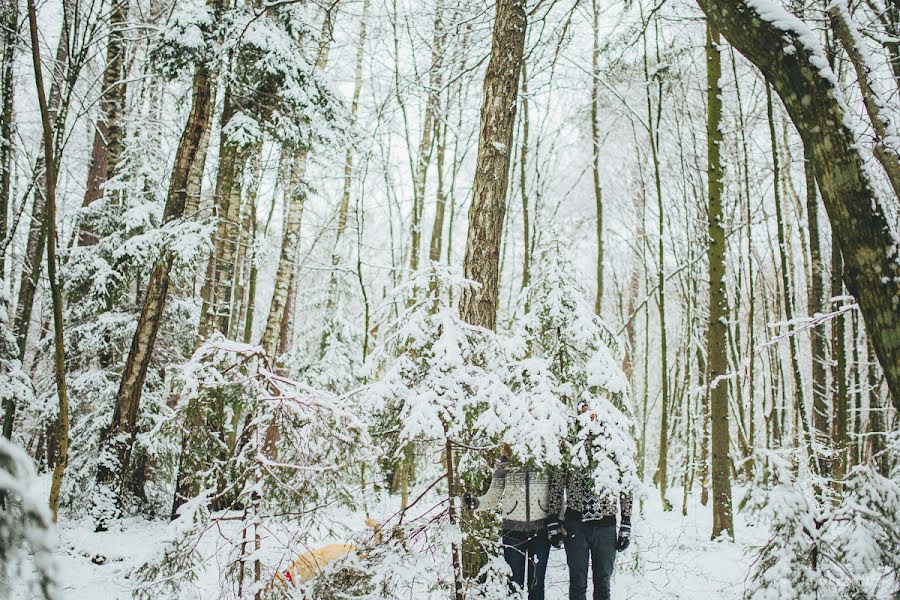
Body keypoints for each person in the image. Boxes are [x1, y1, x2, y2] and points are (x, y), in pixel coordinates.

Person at [548, 401, 633, 600]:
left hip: (606, 525)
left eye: (592, 413)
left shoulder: (613, 446)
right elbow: (557, 485)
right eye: (584, 413)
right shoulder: (570, 445)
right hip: (576, 523)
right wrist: (553, 520)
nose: (589, 418)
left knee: (602, 581)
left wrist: (626, 523)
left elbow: (626, 487)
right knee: (577, 581)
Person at [462, 443, 554, 600]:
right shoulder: (505, 460)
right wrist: (475, 503)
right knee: (513, 586)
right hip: (512, 533)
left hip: (541, 532)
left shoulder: (545, 457)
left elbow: (556, 495)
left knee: (536, 586)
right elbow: (493, 495)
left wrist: (559, 522)